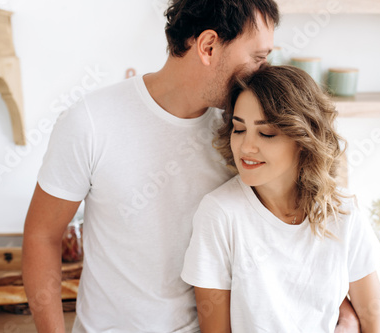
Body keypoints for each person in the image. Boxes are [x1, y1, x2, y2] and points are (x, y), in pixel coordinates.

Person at [22, 0, 359, 332]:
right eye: (258, 58)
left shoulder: (244, 133)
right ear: (209, 46)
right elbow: (42, 236)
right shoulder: (92, 121)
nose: (264, 72)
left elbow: (296, 225)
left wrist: (343, 304)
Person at [181, 64, 380, 333]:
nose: (246, 147)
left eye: (266, 133)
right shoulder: (220, 214)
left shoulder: (342, 210)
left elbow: (372, 318)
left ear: (303, 139)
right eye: (239, 129)